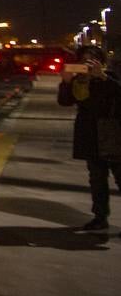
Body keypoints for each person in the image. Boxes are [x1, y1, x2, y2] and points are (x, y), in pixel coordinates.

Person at [58, 44, 121, 231]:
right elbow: (64, 102)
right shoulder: (79, 80)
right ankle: (100, 218)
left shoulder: (110, 77)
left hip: (112, 133)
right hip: (89, 134)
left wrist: (102, 76)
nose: (88, 63)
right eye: (84, 59)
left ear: (101, 61)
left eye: (92, 59)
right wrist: (66, 82)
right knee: (97, 179)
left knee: (120, 177)